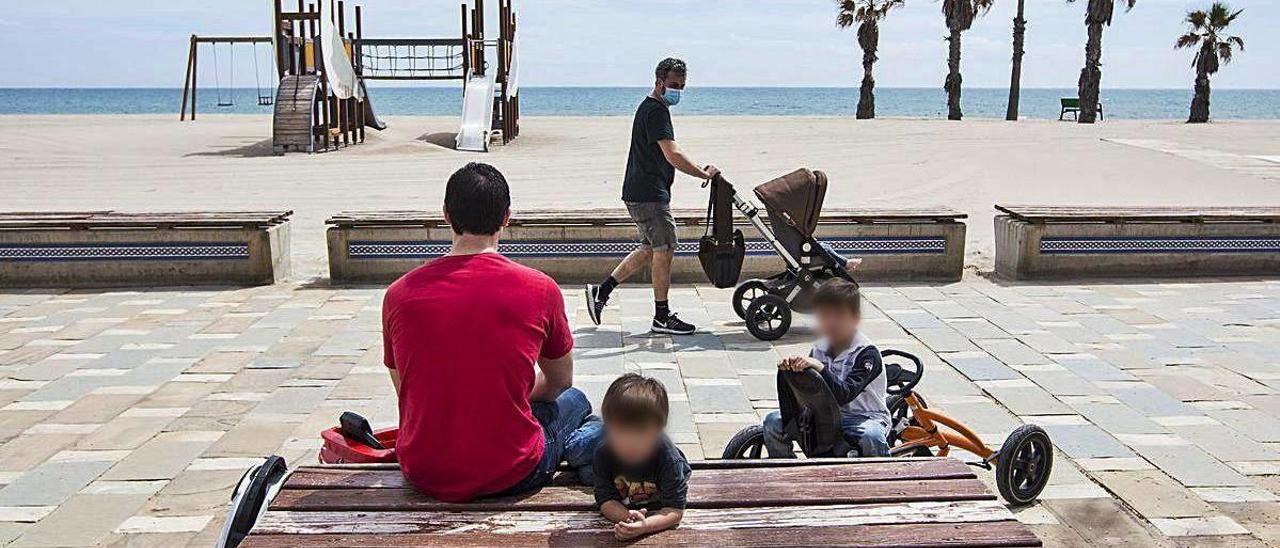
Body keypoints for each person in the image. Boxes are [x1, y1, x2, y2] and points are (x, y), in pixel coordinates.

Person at [382, 163, 601, 503]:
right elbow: (559, 382)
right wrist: (504, 394)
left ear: (446, 215)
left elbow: (408, 392)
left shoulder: (399, 295)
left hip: (424, 469)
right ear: (506, 217)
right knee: (575, 401)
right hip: (511, 471)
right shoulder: (539, 289)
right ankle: (588, 450)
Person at [585, 57, 721, 336]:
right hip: (649, 194)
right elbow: (672, 154)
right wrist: (702, 173)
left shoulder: (650, 108)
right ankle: (662, 316)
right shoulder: (656, 111)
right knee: (666, 247)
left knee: (650, 248)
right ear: (659, 82)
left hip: (640, 191)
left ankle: (602, 291)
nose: (677, 91)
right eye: (673, 85)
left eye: (682, 87)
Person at [762, 279, 891, 458]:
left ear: (854, 318)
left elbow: (844, 394)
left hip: (863, 416)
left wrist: (819, 367)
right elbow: (811, 388)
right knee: (772, 423)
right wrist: (792, 368)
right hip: (826, 415)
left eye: (838, 316)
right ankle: (786, 471)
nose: (831, 323)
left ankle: (880, 478)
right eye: (824, 316)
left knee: (871, 436)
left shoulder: (866, 354)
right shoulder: (819, 348)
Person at [593, 373, 691, 542]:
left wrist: (645, 526)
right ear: (607, 428)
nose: (632, 443)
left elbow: (674, 509)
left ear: (659, 431)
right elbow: (605, 500)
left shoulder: (668, 459)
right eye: (622, 431)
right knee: (588, 473)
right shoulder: (603, 453)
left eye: (642, 433)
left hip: (664, 484)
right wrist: (626, 516)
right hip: (625, 486)